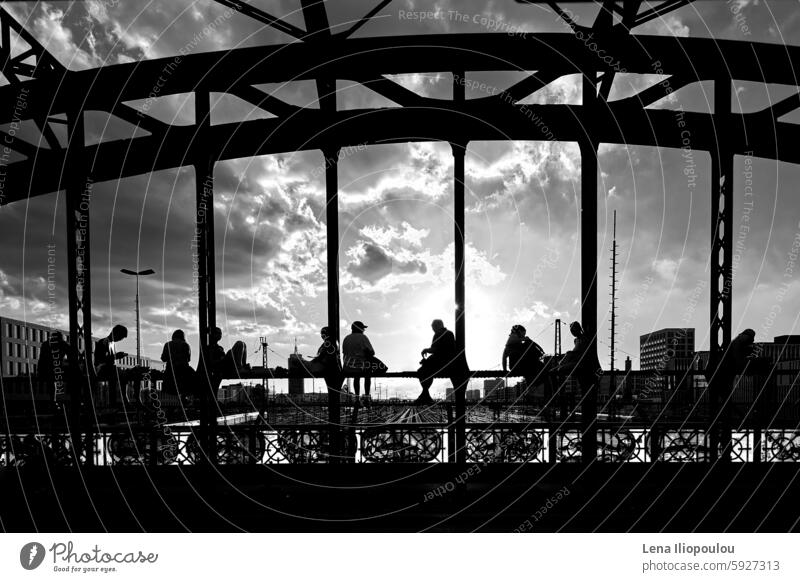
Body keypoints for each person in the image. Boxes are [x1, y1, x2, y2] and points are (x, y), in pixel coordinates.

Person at [416, 319, 470, 405]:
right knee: (425, 367)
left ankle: (425, 394)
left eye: (433, 327)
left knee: (421, 371)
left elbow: (436, 349)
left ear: (437, 326)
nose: (433, 329)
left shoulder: (438, 334)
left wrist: (426, 350)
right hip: (451, 363)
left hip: (441, 363)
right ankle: (425, 394)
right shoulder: (450, 333)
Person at [37, 331, 80, 402]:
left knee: (51, 383)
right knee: (75, 373)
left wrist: (39, 371)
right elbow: (71, 356)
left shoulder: (46, 344)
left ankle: (53, 401)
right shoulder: (62, 344)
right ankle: (73, 395)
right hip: (53, 370)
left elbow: (41, 360)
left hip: (47, 371)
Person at [502, 324, 546, 392]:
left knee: (537, 367)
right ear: (519, 332)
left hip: (518, 366)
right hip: (520, 366)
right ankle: (535, 387)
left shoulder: (515, 343)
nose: (524, 335)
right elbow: (504, 357)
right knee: (539, 367)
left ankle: (533, 387)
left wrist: (504, 370)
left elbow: (504, 358)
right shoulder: (513, 341)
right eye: (523, 333)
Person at [342, 321, 376, 404]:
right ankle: (367, 397)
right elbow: (372, 352)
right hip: (361, 367)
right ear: (360, 328)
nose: (364, 330)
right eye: (363, 328)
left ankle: (357, 399)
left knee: (356, 378)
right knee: (368, 375)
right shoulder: (363, 337)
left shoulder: (346, 338)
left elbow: (344, 352)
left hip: (348, 367)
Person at [94, 324, 128, 405]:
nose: (120, 339)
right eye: (120, 337)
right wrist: (116, 356)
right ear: (116, 333)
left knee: (121, 373)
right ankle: (122, 399)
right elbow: (101, 359)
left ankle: (118, 400)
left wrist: (115, 356)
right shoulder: (104, 342)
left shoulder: (111, 343)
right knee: (122, 374)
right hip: (101, 369)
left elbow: (109, 358)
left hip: (107, 369)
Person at [306, 326, 344, 396]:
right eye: (321, 333)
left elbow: (322, 356)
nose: (322, 335)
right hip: (333, 370)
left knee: (333, 393)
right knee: (334, 393)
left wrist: (311, 362)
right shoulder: (332, 341)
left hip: (331, 370)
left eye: (323, 333)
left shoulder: (328, 342)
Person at [160, 330, 195, 400]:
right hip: (183, 371)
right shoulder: (185, 345)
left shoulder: (167, 344)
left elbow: (163, 358)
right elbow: (188, 359)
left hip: (170, 371)